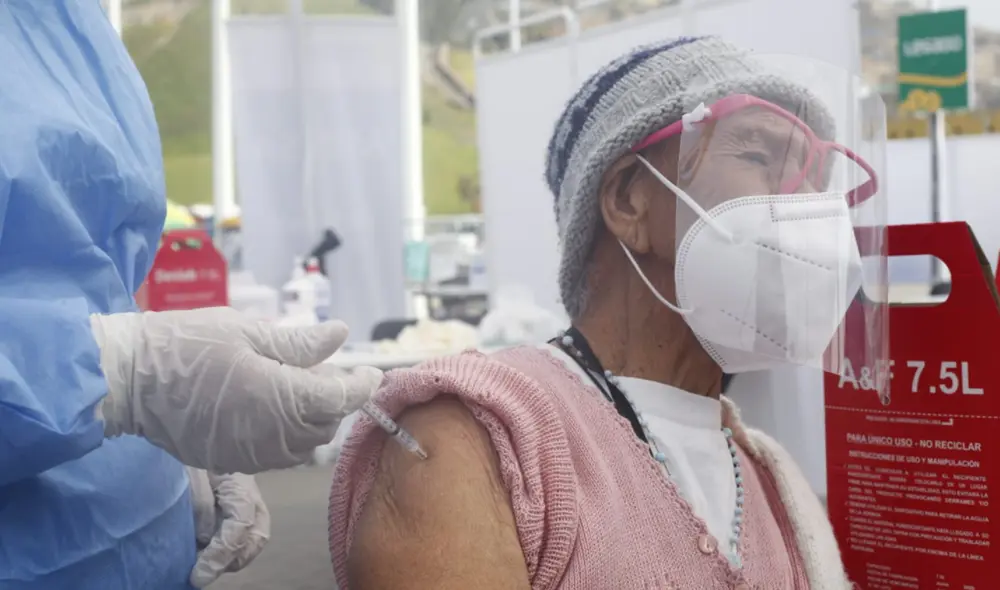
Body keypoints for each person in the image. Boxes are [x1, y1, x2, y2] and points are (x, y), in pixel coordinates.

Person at [330, 36, 885, 589]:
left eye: (815, 179)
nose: (805, 205)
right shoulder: (481, 437)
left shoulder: (771, 477)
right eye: (760, 156)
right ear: (627, 201)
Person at [0, 3, 381, 589]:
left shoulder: (68, 20)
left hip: (148, 542)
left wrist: (176, 433)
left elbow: (86, 272)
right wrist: (119, 373)